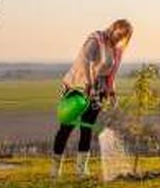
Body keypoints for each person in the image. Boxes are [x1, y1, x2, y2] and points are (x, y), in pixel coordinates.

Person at [50, 19, 132, 177]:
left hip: (99, 91)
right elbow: (86, 62)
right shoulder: (96, 40)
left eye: (123, 37)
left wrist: (112, 93)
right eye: (119, 33)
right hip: (78, 88)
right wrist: (89, 85)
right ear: (113, 28)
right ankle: (55, 169)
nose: (119, 38)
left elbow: (109, 74)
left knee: (87, 128)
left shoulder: (116, 50)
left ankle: (81, 170)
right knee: (66, 128)